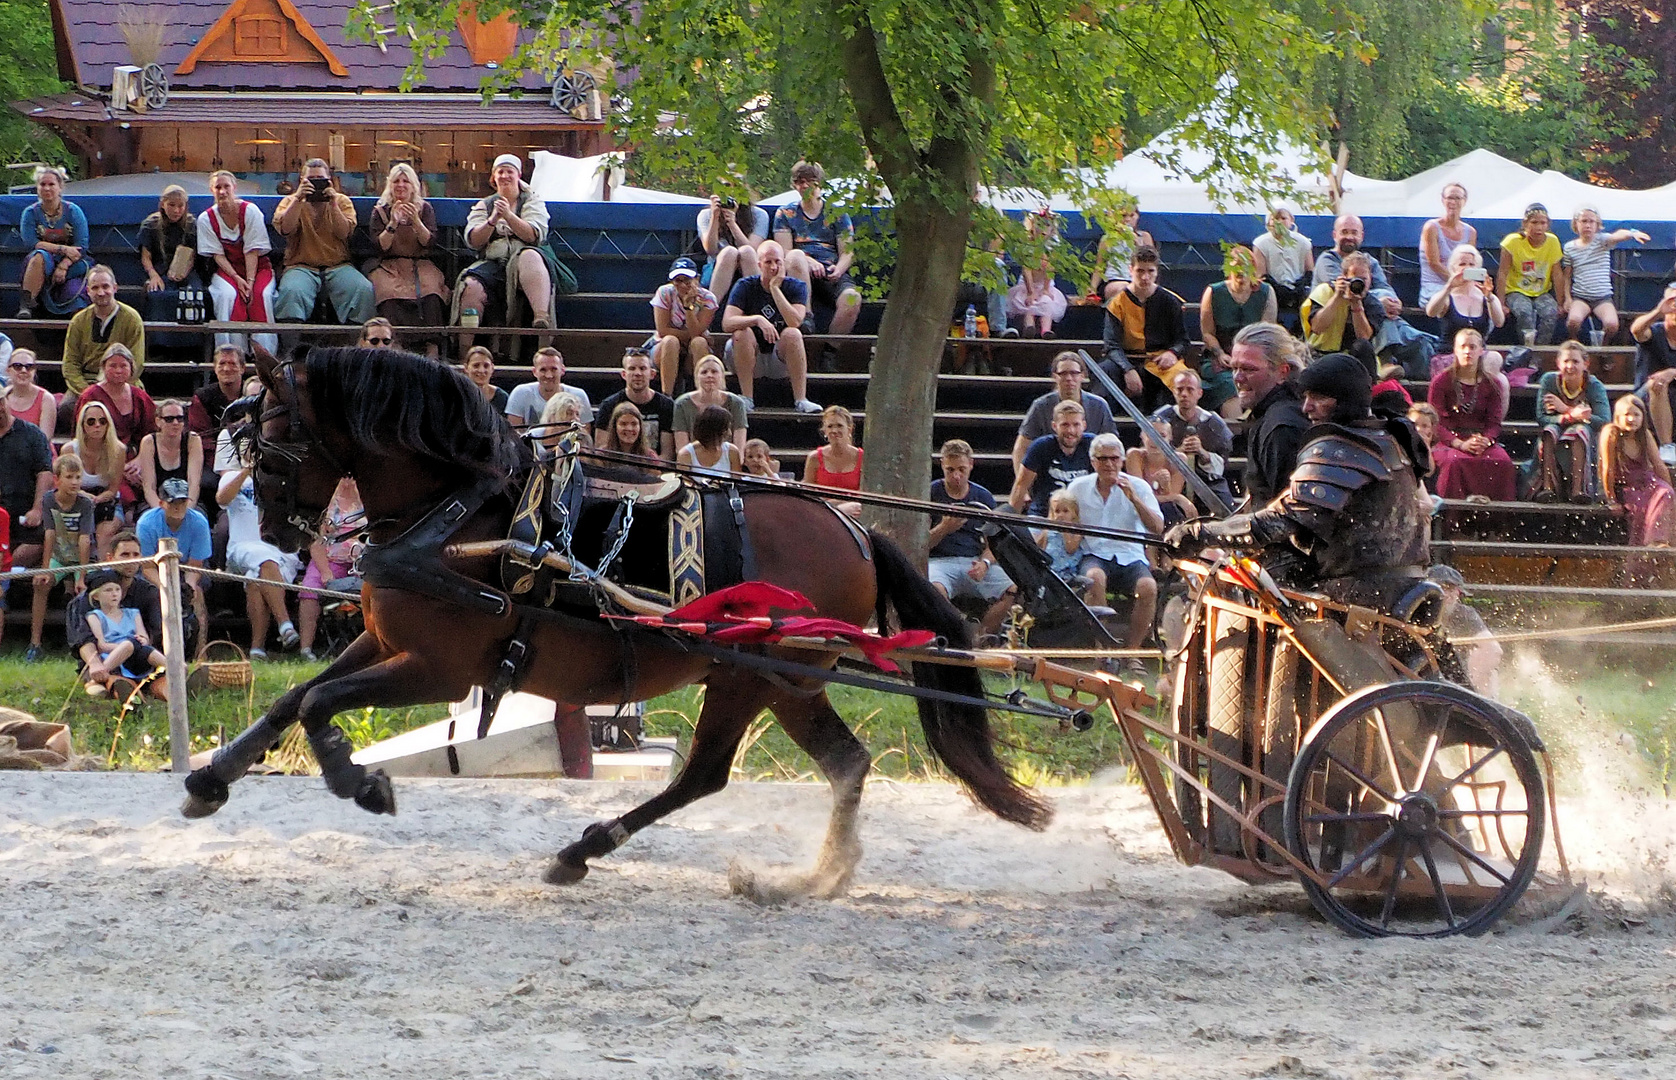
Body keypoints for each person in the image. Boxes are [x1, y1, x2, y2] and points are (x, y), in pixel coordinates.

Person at [1169, 353, 1431, 611]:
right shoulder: (1391, 439)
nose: (1306, 407)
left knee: (1257, 589)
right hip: (1404, 585)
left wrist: (1200, 535)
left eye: (1318, 397)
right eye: (1305, 397)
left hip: (1358, 598)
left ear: (1344, 400)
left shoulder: (1338, 450)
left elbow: (1276, 523)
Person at [1065, 432, 1162, 659]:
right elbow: (1064, 520)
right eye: (1102, 459)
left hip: (1130, 554)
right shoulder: (1078, 487)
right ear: (1093, 462)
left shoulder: (1139, 486)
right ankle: (1103, 649)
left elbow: (1157, 527)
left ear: (1122, 461)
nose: (1109, 464)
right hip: (1094, 552)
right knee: (1095, 578)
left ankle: (1132, 653)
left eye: (1114, 459)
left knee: (1148, 587)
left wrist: (1134, 499)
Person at [454, 154, 565, 343]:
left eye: (509, 172)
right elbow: (474, 240)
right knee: (470, 285)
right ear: (493, 178)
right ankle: (466, 349)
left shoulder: (532, 201)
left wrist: (509, 216)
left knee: (529, 256)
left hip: (526, 261)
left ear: (518, 175)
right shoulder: (485, 205)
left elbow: (533, 235)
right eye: (500, 172)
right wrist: (493, 220)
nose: (505, 176)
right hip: (494, 262)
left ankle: (541, 318)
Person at [927, 439, 1015, 637]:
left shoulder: (982, 496)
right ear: (942, 465)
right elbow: (921, 544)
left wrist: (984, 562)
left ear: (971, 465)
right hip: (939, 560)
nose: (956, 476)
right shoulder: (932, 493)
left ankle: (981, 636)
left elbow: (996, 542)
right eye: (950, 470)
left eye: (961, 469)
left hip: (973, 560)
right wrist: (943, 528)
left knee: (1012, 589)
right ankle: (959, 632)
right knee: (933, 589)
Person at [272, 159, 375, 327]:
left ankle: (356, 344)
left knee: (362, 289)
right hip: (300, 265)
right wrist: (298, 198)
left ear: (329, 180)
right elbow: (286, 229)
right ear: (301, 181)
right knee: (291, 292)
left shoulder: (341, 201)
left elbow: (344, 233)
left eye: (320, 178)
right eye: (310, 179)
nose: (315, 183)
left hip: (338, 265)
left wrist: (332, 202)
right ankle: (291, 346)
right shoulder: (289, 201)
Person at [218, 452, 301, 659]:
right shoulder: (232, 477)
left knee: (254, 580)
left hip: (279, 548)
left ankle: (257, 649)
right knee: (263, 558)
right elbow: (222, 499)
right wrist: (247, 471)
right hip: (242, 547)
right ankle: (285, 624)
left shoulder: (283, 480)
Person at [721, 240, 821, 412]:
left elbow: (795, 321)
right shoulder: (745, 286)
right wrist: (757, 320)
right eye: (768, 262)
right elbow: (727, 322)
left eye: (778, 261)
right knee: (742, 332)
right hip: (748, 355)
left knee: (793, 334)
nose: (773, 267)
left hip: (779, 358)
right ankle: (747, 398)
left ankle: (801, 400)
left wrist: (775, 289)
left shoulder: (797, 287)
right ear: (759, 265)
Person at [773, 161, 862, 343]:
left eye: (809, 181)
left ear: (819, 183)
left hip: (830, 270)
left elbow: (847, 251)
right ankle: (806, 317)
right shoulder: (785, 213)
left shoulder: (837, 212)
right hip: (799, 269)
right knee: (795, 257)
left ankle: (830, 349)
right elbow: (785, 250)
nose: (804, 186)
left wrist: (838, 269)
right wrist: (809, 261)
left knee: (852, 298)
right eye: (799, 181)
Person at [66, 534, 163, 698]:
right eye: (125, 555)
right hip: (102, 660)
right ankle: (126, 697)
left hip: (142, 656)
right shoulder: (85, 600)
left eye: (136, 555)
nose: (131, 560)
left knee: (160, 678)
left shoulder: (148, 593)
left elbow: (155, 631)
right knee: (115, 680)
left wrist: (141, 649)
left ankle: (177, 686)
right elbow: (82, 638)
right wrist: (96, 665)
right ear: (110, 558)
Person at [1097, 246, 1191, 411]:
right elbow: (1111, 344)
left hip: (1159, 361)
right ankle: (1106, 425)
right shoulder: (1117, 303)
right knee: (1104, 372)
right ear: (1131, 270)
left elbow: (1182, 340)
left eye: (1150, 271)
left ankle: (1165, 429)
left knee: (1180, 378)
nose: (1145, 277)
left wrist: (1172, 353)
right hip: (1127, 359)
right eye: (1140, 271)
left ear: (1156, 272)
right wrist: (1128, 369)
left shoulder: (1170, 301)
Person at [366, 162, 447, 350]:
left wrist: (417, 222)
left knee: (432, 291)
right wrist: (393, 223)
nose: (401, 185)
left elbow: (429, 242)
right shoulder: (380, 210)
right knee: (387, 292)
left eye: (406, 181)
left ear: (413, 186)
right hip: (389, 264)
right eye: (396, 181)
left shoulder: (425, 208)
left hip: (419, 264)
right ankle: (394, 345)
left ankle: (432, 346)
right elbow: (380, 246)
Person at [1429, 328, 1516, 502]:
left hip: (1480, 440)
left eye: (1472, 347)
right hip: (1449, 442)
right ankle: (1452, 521)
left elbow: (1494, 422)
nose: (1467, 351)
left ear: (1481, 351)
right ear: (1455, 350)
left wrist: (1486, 440)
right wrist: (1459, 444)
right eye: (1463, 347)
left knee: (1504, 463)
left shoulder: (1493, 383)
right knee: (1454, 463)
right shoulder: (1441, 381)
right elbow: (1435, 422)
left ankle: (1497, 524)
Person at [198, 169, 278, 355]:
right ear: (212, 190)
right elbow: (217, 255)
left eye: (226, 186)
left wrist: (249, 282)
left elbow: (253, 250)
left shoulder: (250, 212)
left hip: (258, 268)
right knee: (226, 296)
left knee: (261, 296)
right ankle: (230, 353)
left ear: (234, 188)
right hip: (228, 270)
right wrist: (236, 278)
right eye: (218, 187)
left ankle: (265, 354)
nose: (223, 191)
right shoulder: (206, 219)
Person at [24, 454, 95, 663]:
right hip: (59, 557)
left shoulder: (85, 503)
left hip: (80, 558)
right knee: (40, 585)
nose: (75, 482)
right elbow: (50, 534)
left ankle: (82, 644)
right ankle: (35, 643)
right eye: (70, 477)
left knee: (89, 589)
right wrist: (45, 569)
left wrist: (81, 576)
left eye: (78, 477)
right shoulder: (48, 500)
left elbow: (84, 540)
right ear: (58, 479)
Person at [1229, 322, 1309, 506]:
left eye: (1249, 369)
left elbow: (1291, 510)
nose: (1238, 378)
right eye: (1234, 368)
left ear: (1282, 372)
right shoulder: (1271, 417)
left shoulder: (1281, 428)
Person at [135, 476, 212, 650]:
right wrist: (166, 586)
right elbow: (147, 567)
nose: (178, 507)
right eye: (173, 502)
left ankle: (201, 651)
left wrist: (187, 586)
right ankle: (155, 648)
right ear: (162, 503)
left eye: (182, 502)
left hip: (188, 568)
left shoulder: (199, 522)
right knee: (154, 593)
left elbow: (195, 565)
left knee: (196, 593)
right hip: (155, 569)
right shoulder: (146, 524)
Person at [1010, 352, 1117, 476]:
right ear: (1055, 376)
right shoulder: (1041, 406)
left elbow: (1112, 445)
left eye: (1074, 373)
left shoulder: (1099, 406)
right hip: (1050, 472)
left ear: (1082, 375)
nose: (1069, 378)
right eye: (1063, 373)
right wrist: (1023, 487)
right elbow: (1021, 447)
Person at [1199, 246, 1277, 418]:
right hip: (1220, 357)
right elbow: (1207, 333)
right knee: (1230, 383)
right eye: (1236, 267)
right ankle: (1235, 435)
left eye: (1246, 267)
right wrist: (1220, 354)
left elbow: (1267, 333)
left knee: (1261, 378)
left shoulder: (1266, 292)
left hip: (1254, 357)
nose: (1241, 272)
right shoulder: (1213, 291)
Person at [1530, 340, 1609, 503]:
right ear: (1558, 363)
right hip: (1557, 432)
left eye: (1575, 361)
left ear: (1586, 364)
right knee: (1549, 431)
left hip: (1586, 439)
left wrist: (1565, 409)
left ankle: (1579, 489)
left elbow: (1603, 420)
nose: (1570, 366)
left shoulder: (1595, 386)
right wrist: (1571, 415)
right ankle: (1548, 488)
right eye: (1566, 361)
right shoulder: (1549, 381)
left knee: (1579, 431)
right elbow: (1542, 418)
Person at [296, 480, 364, 663]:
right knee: (309, 589)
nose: (348, 479)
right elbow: (315, 541)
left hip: (363, 561)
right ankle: (306, 649)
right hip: (329, 559)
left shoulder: (370, 495)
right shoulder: (326, 502)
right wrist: (326, 573)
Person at [1151, 368, 1235, 512]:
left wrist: (1202, 452)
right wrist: (1179, 453)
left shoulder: (1213, 422)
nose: (1184, 394)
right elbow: (1150, 454)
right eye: (1180, 389)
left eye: (1190, 390)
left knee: (1223, 505)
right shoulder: (1160, 419)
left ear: (1199, 393)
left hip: (1205, 479)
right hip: (1169, 477)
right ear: (1173, 392)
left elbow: (1223, 458)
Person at [1562, 206, 1649, 344]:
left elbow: (1618, 235)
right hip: (1581, 297)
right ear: (1576, 224)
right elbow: (1566, 275)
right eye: (1584, 221)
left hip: (1602, 297)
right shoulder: (1569, 247)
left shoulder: (1602, 240)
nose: (1588, 225)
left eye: (1592, 222)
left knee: (1612, 324)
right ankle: (1574, 343)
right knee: (1573, 322)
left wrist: (1632, 233)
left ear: (1597, 225)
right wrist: (1567, 298)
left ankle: (1603, 346)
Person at [62, 264, 146, 403]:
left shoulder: (132, 319)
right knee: (66, 408)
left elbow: (136, 363)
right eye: (95, 288)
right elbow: (70, 363)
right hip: (87, 382)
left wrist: (114, 389)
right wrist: (88, 391)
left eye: (105, 286)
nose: (101, 292)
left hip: (122, 381)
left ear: (115, 288)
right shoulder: (78, 321)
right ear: (88, 291)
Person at [16, 165, 91, 318]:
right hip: (42, 262)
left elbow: (82, 245)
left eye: (51, 184)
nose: (47, 188)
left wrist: (64, 265)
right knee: (39, 256)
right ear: (37, 188)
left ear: (60, 187)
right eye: (43, 184)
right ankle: (26, 305)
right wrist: (62, 249)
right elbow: (31, 242)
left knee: (75, 292)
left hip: (73, 263)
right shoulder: (30, 213)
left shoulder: (73, 211)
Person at [83, 568, 169, 699]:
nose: (114, 594)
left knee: (146, 649)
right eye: (108, 590)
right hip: (113, 656)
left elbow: (144, 637)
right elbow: (101, 645)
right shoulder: (95, 616)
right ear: (95, 596)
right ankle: (100, 675)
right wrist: (126, 647)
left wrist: (141, 641)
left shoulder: (133, 613)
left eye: (117, 590)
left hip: (137, 652)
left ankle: (177, 670)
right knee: (129, 645)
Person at [1601, 395, 1674, 550]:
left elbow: (1659, 465)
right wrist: (1611, 499)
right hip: (1626, 486)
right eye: (1627, 415)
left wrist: (1671, 490)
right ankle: (1647, 547)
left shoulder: (1645, 435)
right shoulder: (1611, 434)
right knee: (1641, 505)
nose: (1632, 419)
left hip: (1648, 481)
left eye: (1636, 415)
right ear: (1618, 417)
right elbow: (1608, 468)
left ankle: (1657, 541)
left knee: (1666, 493)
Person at [76, 344, 156, 483]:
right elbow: (81, 435)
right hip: (100, 459)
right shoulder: (90, 396)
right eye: (113, 365)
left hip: (134, 459)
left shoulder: (140, 397)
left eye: (123, 365)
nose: (118, 370)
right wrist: (119, 466)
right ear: (103, 368)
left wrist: (140, 460)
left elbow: (152, 433)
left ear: (131, 368)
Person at [0, 393, 54, 583]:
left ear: (7, 401)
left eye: (0, 402)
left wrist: (38, 508)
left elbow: (45, 472)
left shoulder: (32, 434)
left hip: (25, 510)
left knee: (37, 542)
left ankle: (5, 573)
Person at [1427, 564, 1501, 698]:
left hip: (1459, 673)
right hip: (1426, 671)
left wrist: (1471, 686)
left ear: (1458, 593)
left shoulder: (1465, 614)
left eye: (1452, 589)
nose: (1448, 595)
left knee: (1490, 673)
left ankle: (1484, 706)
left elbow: (1493, 649)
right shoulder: (1420, 613)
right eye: (1443, 588)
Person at [1496, 203, 1566, 346]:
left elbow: (1557, 274)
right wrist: (1500, 303)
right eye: (1534, 223)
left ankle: (1539, 353)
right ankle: (1526, 349)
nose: (1538, 227)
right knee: (1524, 312)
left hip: (1541, 291)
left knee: (1550, 313)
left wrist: (1560, 303)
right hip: (1516, 290)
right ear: (1525, 224)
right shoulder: (1512, 242)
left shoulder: (1552, 241)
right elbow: (1502, 273)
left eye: (1542, 223)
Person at [70, 398, 133, 556]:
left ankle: (103, 572)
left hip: (108, 502)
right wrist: (85, 496)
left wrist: (97, 499)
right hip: (76, 500)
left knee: (104, 532)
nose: (97, 425)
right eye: (91, 422)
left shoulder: (118, 450)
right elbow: (64, 486)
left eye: (102, 421)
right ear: (82, 425)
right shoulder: (70, 449)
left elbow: (113, 489)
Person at [1009, 399, 1093, 515]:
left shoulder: (1093, 445)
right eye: (1065, 425)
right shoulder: (1041, 446)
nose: (1070, 430)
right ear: (1054, 426)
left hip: (1081, 517)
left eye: (1076, 424)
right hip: (1043, 516)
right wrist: (1010, 524)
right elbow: (1021, 486)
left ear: (1084, 425)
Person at [649, 257, 718, 395]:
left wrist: (688, 307)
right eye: (678, 281)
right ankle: (666, 396)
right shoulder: (664, 292)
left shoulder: (708, 299)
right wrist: (690, 336)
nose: (683, 285)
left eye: (687, 280)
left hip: (693, 350)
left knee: (699, 342)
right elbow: (663, 331)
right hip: (664, 347)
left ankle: (702, 394)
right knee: (670, 341)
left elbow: (696, 334)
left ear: (696, 279)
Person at [595, 346, 675, 459]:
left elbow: (667, 454)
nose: (637, 373)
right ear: (624, 374)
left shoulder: (666, 405)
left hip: (653, 470)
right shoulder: (609, 405)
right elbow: (601, 450)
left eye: (642, 368)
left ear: (652, 374)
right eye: (632, 368)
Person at [138, 184, 200, 326]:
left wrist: (184, 272)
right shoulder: (151, 225)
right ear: (163, 204)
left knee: (195, 294)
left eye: (180, 206)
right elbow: (145, 257)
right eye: (171, 205)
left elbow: (193, 255)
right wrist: (153, 275)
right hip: (159, 269)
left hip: (186, 270)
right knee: (157, 294)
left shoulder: (191, 225)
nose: (176, 210)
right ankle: (160, 341)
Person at [1300, 251, 1383, 356]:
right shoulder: (1324, 292)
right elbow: (1317, 327)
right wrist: (1337, 297)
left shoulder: (1373, 304)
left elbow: (1364, 338)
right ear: (1344, 276)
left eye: (1363, 279)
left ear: (1370, 278)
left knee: (1363, 347)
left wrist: (1356, 304)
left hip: (1355, 357)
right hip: (1319, 353)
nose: (1359, 283)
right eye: (1354, 278)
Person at [697, 191, 769, 311]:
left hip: (748, 264)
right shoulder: (705, 215)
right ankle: (708, 311)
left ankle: (757, 310)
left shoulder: (759, 215)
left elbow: (754, 251)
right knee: (729, 252)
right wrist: (715, 217)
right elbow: (710, 249)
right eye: (725, 188)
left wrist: (732, 223)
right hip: (717, 267)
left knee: (746, 251)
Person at [1423, 244, 1505, 345]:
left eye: (1471, 264)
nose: (1467, 268)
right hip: (1449, 352)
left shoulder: (1485, 296)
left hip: (1477, 354)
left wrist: (1489, 297)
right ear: (1453, 268)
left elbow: (1499, 322)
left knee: (1495, 358)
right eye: (1462, 264)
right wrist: (1448, 287)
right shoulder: (1447, 296)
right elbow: (1431, 312)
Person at [1006, 208, 1068, 339]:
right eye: (1039, 225)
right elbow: (1026, 270)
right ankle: (1029, 327)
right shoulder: (1029, 246)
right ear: (1032, 227)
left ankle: (1046, 331)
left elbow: (1051, 269)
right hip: (1027, 285)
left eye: (1047, 226)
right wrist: (1030, 291)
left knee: (1046, 302)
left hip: (1045, 285)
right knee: (1029, 303)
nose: (1043, 230)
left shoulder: (1052, 247)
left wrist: (1045, 289)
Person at [1251, 205, 1314, 328]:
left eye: (1283, 218)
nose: (1279, 222)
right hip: (1272, 288)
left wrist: (1300, 284)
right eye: (1275, 218)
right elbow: (1261, 274)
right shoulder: (1260, 243)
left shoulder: (1303, 242)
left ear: (1291, 221)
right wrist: (1276, 287)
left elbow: (1310, 271)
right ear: (1269, 222)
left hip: (1299, 290)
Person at [137, 399, 204, 514]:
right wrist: (164, 510)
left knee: (197, 516)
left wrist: (185, 509)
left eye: (180, 418)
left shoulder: (193, 440)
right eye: (169, 419)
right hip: (157, 502)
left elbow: (194, 483)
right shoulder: (148, 442)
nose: (175, 423)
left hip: (186, 502)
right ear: (158, 421)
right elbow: (149, 487)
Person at [1127, 419, 1198, 527]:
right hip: (1139, 509)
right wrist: (1178, 498)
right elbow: (1139, 497)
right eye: (1150, 434)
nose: (1155, 440)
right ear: (1142, 436)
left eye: (1162, 436)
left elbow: (1170, 499)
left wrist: (1166, 486)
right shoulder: (1134, 456)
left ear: (1170, 437)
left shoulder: (1178, 459)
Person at [1632, 284, 1676, 450]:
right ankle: (1667, 447)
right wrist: (1658, 311)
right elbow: (1637, 331)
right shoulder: (1654, 332)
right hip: (1646, 399)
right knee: (1657, 383)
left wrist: (1673, 372)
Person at [505, 347, 593, 430]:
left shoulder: (578, 395)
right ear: (534, 372)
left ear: (562, 370)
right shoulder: (520, 393)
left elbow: (584, 435)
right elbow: (514, 435)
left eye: (554, 369)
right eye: (543, 370)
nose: (549, 375)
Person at [1418, 183, 1477, 307]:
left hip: (1461, 286)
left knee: (1484, 303)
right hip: (1435, 287)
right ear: (1443, 200)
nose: (1453, 202)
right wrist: (1455, 282)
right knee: (1455, 304)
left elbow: (1471, 264)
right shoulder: (1431, 227)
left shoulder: (1470, 232)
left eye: (1457, 198)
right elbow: (1434, 263)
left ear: (1464, 201)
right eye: (1450, 198)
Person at [673, 355, 749, 450]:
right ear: (697, 377)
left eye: (714, 372)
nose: (709, 375)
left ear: (722, 376)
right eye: (704, 372)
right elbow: (682, 448)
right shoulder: (682, 404)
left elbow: (739, 449)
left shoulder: (736, 403)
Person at [1088, 204, 1154, 303]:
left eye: (1132, 216)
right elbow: (1100, 267)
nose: (1127, 220)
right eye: (1123, 216)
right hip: (1115, 279)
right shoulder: (1107, 239)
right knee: (1126, 289)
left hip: (1140, 280)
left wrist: (1138, 244)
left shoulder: (1144, 236)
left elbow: (1151, 262)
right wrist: (1092, 289)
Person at [803, 405, 864, 507]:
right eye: (830, 426)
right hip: (823, 513)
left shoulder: (863, 458)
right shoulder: (814, 458)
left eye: (839, 426)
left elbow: (865, 495)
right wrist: (836, 506)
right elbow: (808, 496)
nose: (834, 431)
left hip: (855, 513)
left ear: (849, 429)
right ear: (825, 431)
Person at [1035, 490, 1087, 587]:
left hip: (1066, 570)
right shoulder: (1049, 529)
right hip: (1049, 567)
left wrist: (1065, 530)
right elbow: (1040, 546)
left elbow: (1071, 549)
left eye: (1065, 511)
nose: (1061, 515)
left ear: (1074, 513)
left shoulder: (1077, 531)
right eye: (1057, 511)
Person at [677, 404, 743, 476]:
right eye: (726, 429)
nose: (730, 433)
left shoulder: (732, 452)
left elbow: (737, 483)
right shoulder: (685, 454)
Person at [3, 350, 55, 441]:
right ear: (8, 370)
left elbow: (44, 439)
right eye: (17, 366)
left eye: (29, 367)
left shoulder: (46, 399)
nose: (23, 370)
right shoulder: (3, 397)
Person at [461, 346, 510, 414]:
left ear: (492, 368)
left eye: (486, 366)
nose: (481, 370)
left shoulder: (502, 398)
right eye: (476, 365)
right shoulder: (458, 396)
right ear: (466, 368)